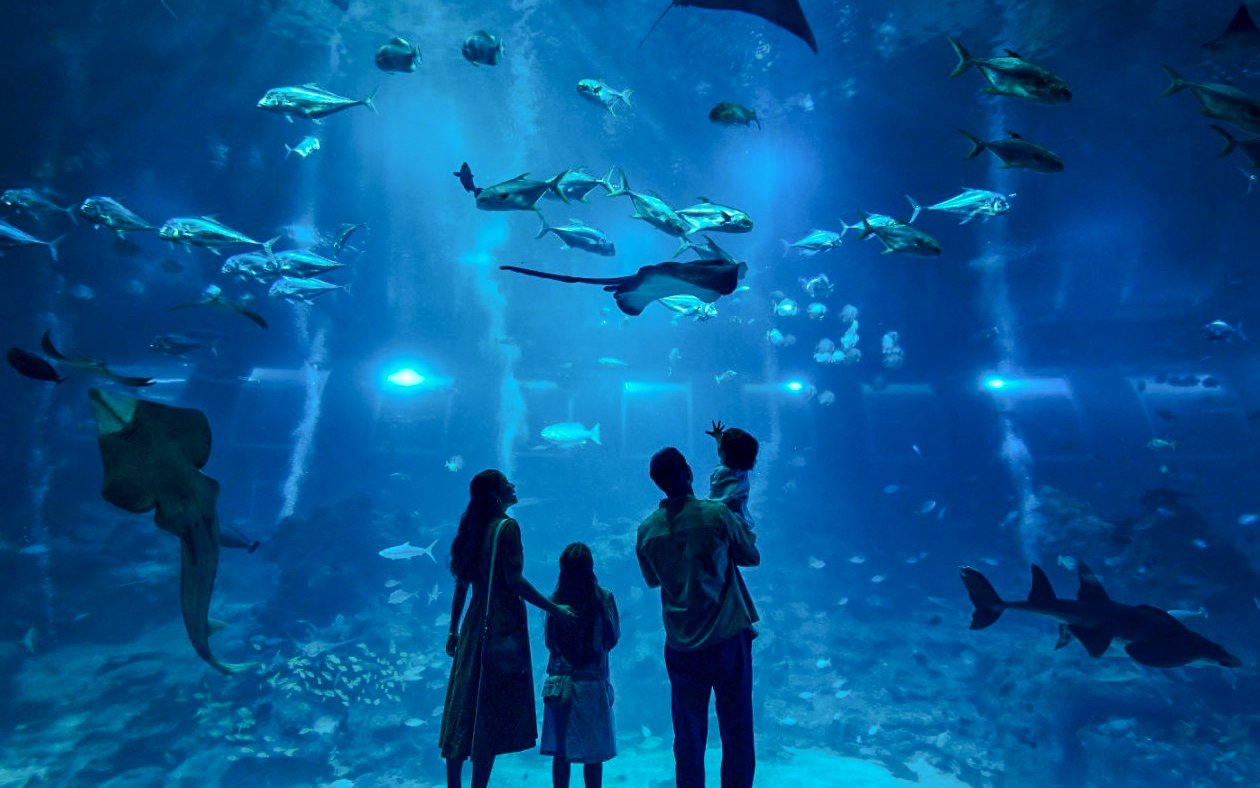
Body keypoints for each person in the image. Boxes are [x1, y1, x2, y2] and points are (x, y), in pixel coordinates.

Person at [440, 470, 577, 788]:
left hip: (473, 623)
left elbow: (462, 583)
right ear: (496, 494)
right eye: (506, 484)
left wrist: (453, 629)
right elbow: (513, 580)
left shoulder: (472, 529)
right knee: (487, 710)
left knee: (463, 706)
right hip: (501, 628)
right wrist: (554, 608)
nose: (513, 485)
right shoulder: (507, 527)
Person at [635, 448, 761, 788]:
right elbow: (750, 555)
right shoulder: (716, 515)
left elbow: (653, 580)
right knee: (736, 731)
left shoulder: (647, 531)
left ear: (658, 483)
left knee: (688, 736)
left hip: (681, 645)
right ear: (688, 472)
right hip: (726, 639)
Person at [540, 543, 620, 788]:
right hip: (592, 683)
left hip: (562, 684)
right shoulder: (603, 598)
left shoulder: (555, 601)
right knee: (593, 755)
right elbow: (612, 638)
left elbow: (549, 641)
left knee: (561, 753)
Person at [704, 420, 759, 529]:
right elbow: (726, 451)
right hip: (741, 521)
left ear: (724, 452)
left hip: (725, 525)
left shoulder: (723, 474)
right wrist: (718, 437)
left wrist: (697, 509)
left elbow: (714, 503)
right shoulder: (741, 469)